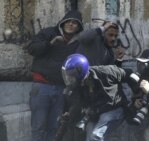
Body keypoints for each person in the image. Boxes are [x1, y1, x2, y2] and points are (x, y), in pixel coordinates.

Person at [26, 10, 84, 141]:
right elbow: (31, 49)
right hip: (42, 87)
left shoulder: (78, 42)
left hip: (61, 89)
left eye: (75, 23)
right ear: (63, 22)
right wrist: (50, 43)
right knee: (38, 127)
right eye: (68, 21)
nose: (71, 24)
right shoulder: (48, 33)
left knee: (55, 127)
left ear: (78, 27)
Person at [60, 54, 133, 141]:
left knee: (96, 136)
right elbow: (78, 104)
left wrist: (136, 95)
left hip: (114, 108)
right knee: (89, 135)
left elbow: (129, 74)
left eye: (71, 75)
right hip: (96, 112)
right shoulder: (77, 86)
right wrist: (70, 114)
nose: (69, 78)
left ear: (80, 71)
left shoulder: (105, 72)